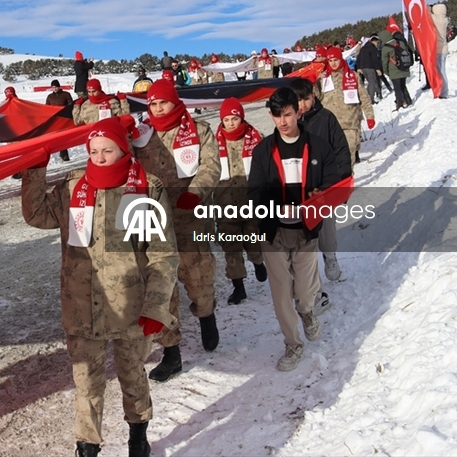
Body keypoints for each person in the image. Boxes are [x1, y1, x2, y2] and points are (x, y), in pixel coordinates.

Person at [21, 117, 178, 457]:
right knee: (86, 383)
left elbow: (163, 255)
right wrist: (34, 168)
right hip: (81, 309)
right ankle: (87, 446)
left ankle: (138, 437)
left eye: (108, 150)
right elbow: (37, 215)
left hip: (130, 309)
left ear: (123, 149)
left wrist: (156, 307)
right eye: (93, 151)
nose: (100, 158)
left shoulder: (146, 188)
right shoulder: (71, 186)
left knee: (132, 377)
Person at [132, 79, 222, 382]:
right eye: (153, 104)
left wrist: (195, 193)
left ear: (175, 102)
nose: (158, 109)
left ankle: (206, 315)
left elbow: (211, 166)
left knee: (198, 275)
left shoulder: (198, 130)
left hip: (190, 216)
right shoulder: (141, 134)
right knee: (160, 285)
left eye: (163, 103)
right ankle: (172, 353)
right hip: (156, 222)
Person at [248, 87, 342, 371]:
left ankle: (308, 312)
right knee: (280, 293)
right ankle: (292, 344)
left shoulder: (317, 146)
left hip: (305, 230)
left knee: (303, 290)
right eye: (276, 116)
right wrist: (272, 208)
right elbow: (255, 192)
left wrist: (319, 195)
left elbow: (333, 180)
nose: (282, 121)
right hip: (274, 232)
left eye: (287, 114)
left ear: (298, 112)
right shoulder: (263, 151)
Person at [292, 78, 352, 293]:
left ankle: (330, 256)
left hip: (324, 185)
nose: (302, 105)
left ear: (313, 96)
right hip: (299, 188)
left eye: (305, 99)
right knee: (301, 233)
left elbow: (341, 150)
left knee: (326, 227)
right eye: (297, 100)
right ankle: (309, 276)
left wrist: (343, 181)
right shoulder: (288, 122)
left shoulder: (326, 118)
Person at [213, 98, 267, 305]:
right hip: (225, 204)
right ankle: (239, 287)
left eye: (234, 118)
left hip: (251, 204)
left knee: (253, 242)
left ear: (241, 117)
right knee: (231, 248)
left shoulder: (256, 137)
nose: (230, 123)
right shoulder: (214, 142)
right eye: (226, 119)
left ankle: (258, 262)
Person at [318, 47, 374, 168]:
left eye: (335, 60)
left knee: (348, 158)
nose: (333, 63)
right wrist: (313, 80)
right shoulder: (323, 78)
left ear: (341, 59)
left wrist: (369, 116)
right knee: (332, 159)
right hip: (330, 125)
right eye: (330, 60)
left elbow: (364, 97)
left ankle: (347, 182)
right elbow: (316, 96)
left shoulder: (352, 76)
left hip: (350, 123)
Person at [381, 31, 413, 110]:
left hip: (394, 70)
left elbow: (384, 62)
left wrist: (386, 72)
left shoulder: (385, 48)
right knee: (403, 86)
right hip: (404, 67)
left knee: (397, 88)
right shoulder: (401, 42)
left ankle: (400, 104)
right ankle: (408, 101)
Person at [45, 81, 74, 161]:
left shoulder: (66, 94)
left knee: (63, 137)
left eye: (56, 87)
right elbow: (47, 107)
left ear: (59, 87)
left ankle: (64, 154)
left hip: (64, 119)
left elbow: (71, 105)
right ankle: (62, 153)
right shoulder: (50, 97)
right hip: (55, 120)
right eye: (53, 87)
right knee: (58, 137)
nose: (54, 89)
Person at [356, 37, 383, 104]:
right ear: (374, 41)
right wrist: (377, 69)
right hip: (370, 67)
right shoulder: (373, 48)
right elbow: (374, 59)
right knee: (372, 83)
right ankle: (371, 99)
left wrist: (358, 68)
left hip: (363, 68)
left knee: (370, 83)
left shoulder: (362, 49)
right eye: (377, 42)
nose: (377, 44)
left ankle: (366, 97)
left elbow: (358, 58)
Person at [431, 4, 450, 98]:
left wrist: (426, 8)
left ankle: (444, 92)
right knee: (441, 71)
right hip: (442, 49)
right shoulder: (444, 19)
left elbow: (428, 15)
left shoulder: (439, 20)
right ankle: (443, 91)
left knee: (441, 72)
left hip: (440, 50)